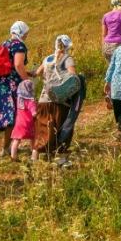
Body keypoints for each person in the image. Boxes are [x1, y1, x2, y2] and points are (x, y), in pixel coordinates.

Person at [0, 21, 31, 157]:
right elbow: (18, 65)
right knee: (12, 114)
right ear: (22, 32)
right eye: (26, 33)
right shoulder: (19, 46)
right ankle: (6, 149)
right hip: (11, 85)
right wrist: (27, 80)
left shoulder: (5, 43)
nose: (26, 36)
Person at [32, 34, 77, 163]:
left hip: (44, 99)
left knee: (42, 127)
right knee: (61, 128)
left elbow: (36, 73)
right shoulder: (68, 59)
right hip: (60, 100)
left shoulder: (47, 59)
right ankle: (61, 159)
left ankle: (34, 158)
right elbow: (73, 76)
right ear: (67, 46)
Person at [10, 80, 37, 161]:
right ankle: (33, 153)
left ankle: (13, 156)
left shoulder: (19, 100)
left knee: (16, 139)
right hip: (28, 123)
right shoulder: (30, 101)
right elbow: (34, 113)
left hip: (19, 123)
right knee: (33, 138)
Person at [101, 0, 121, 65]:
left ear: (111, 5)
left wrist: (103, 47)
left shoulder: (105, 16)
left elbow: (104, 35)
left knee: (111, 69)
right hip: (119, 45)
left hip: (107, 46)